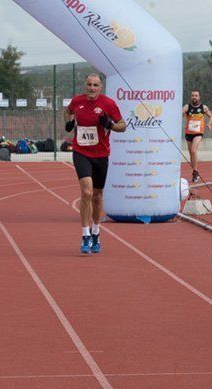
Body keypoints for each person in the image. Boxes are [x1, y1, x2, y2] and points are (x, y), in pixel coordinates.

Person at [64, 73, 126, 254]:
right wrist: (69, 124)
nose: (92, 88)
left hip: (101, 154)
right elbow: (67, 112)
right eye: (89, 84)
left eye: (95, 85)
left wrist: (110, 124)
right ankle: (85, 235)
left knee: (97, 196)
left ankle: (96, 232)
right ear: (85, 85)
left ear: (100, 87)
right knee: (87, 192)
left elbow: (123, 125)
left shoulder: (108, 104)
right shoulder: (77, 101)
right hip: (81, 151)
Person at [183, 90, 212, 183]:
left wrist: (209, 124)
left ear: (199, 97)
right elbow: (180, 114)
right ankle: (195, 172)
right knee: (191, 154)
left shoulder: (203, 108)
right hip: (188, 133)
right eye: (192, 96)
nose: (194, 97)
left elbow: (211, 116)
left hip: (198, 133)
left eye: (196, 95)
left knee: (193, 150)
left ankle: (195, 171)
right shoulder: (187, 107)